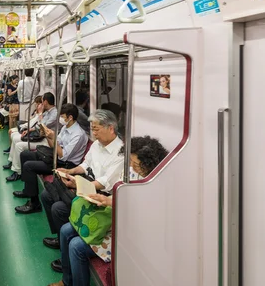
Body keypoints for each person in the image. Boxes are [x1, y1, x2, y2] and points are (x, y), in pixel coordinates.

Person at [49, 136, 168, 286]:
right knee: (66, 229)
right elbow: (122, 195)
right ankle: (67, 281)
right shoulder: (132, 173)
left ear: (149, 164)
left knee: (76, 246)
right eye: (130, 162)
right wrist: (106, 200)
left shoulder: (155, 186)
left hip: (127, 234)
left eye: (135, 163)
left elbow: (138, 213)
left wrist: (110, 202)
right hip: (114, 220)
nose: (131, 166)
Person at [40, 109, 124, 250]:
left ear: (110, 128)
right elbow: (86, 165)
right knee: (46, 195)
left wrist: (79, 184)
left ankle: (65, 241)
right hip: (87, 182)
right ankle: (60, 236)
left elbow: (104, 182)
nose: (94, 134)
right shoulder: (97, 144)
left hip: (100, 193)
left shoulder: (120, 152)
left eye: (96, 130)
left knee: (58, 208)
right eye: (92, 130)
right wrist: (70, 171)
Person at [14, 103, 88, 215]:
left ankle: (35, 204)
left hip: (66, 164)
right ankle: (27, 190)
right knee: (26, 154)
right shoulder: (65, 127)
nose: (61, 119)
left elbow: (63, 154)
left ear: (70, 117)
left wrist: (52, 138)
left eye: (62, 117)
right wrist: (48, 136)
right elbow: (54, 146)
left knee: (29, 166)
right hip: (55, 157)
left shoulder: (78, 135)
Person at [3, 93, 57, 181]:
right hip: (40, 136)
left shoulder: (54, 113)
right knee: (15, 138)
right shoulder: (48, 112)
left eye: (42, 102)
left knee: (19, 145)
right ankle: (13, 162)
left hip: (46, 140)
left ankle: (18, 172)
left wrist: (38, 122)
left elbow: (43, 125)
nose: (41, 104)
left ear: (46, 102)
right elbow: (40, 125)